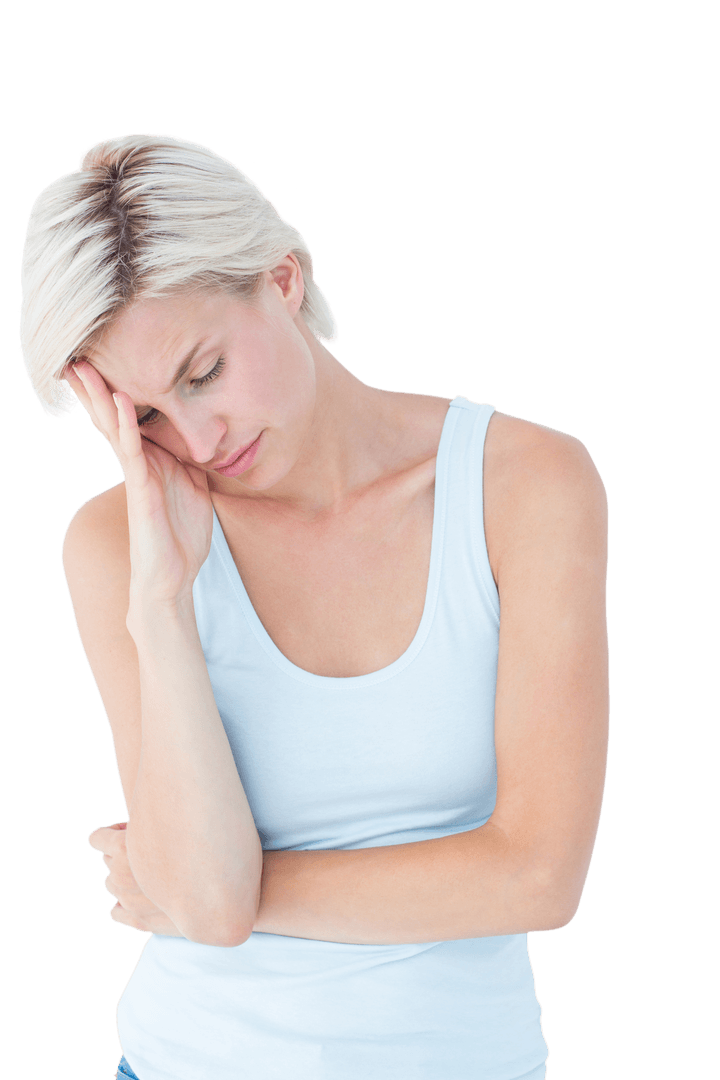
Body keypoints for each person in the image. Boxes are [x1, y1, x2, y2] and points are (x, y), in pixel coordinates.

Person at [20, 133, 609, 1080]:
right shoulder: (117, 544)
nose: (198, 439)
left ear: (281, 278)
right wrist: (163, 601)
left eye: (202, 372)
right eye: (147, 417)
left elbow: (539, 875)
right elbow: (203, 906)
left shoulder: (526, 484)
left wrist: (217, 891)